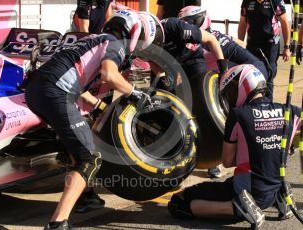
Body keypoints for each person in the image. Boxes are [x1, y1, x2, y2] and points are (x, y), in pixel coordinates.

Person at [25, 9, 164, 229]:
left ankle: (85, 197)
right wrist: (134, 92)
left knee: (78, 145)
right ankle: (58, 223)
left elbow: (73, 82)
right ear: (136, 34)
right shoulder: (115, 45)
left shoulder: (92, 39)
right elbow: (109, 74)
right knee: (89, 159)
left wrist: (99, 106)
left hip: (37, 90)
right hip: (54, 92)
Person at [167, 64, 301, 229]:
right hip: (272, 186)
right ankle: (280, 196)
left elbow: (228, 162)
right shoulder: (291, 111)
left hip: (246, 190)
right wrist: (284, 147)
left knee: (178, 202)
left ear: (243, 85)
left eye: (230, 91)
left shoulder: (238, 115)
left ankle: (238, 207)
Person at [238, 0, 291, 101]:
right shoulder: (247, 2)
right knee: (251, 74)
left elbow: (284, 23)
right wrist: (239, 43)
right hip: (252, 44)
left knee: (268, 75)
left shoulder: (275, 1)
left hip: (270, 44)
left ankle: (267, 104)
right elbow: (242, 23)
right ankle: (253, 102)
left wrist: (287, 47)